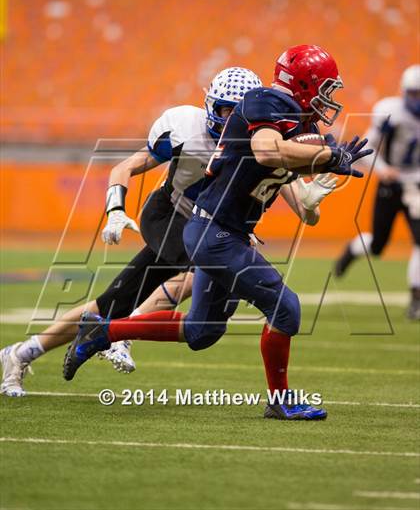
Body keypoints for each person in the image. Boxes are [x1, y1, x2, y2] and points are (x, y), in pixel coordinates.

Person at [63, 44, 372, 421]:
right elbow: (266, 152)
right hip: (215, 231)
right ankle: (280, 401)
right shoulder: (264, 101)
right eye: (326, 87)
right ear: (305, 83)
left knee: (201, 332)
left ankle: (103, 331)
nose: (330, 98)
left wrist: (318, 183)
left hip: (225, 232)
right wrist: (324, 155)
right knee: (286, 308)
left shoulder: (298, 123)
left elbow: (307, 212)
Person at [0, 67, 263, 397]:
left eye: (240, 112)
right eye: (227, 109)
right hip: (167, 215)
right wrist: (115, 211)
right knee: (205, 265)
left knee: (108, 304)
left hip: (203, 226)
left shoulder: (256, 144)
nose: (232, 119)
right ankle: (121, 335)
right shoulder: (186, 128)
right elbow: (123, 167)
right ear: (211, 105)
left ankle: (20, 353)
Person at [334, 65, 420, 320]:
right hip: (390, 185)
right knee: (379, 245)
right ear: (404, 93)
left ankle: (416, 298)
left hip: (416, 184)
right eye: (413, 94)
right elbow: (367, 151)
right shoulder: (390, 113)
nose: (417, 100)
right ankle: (354, 249)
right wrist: (384, 171)